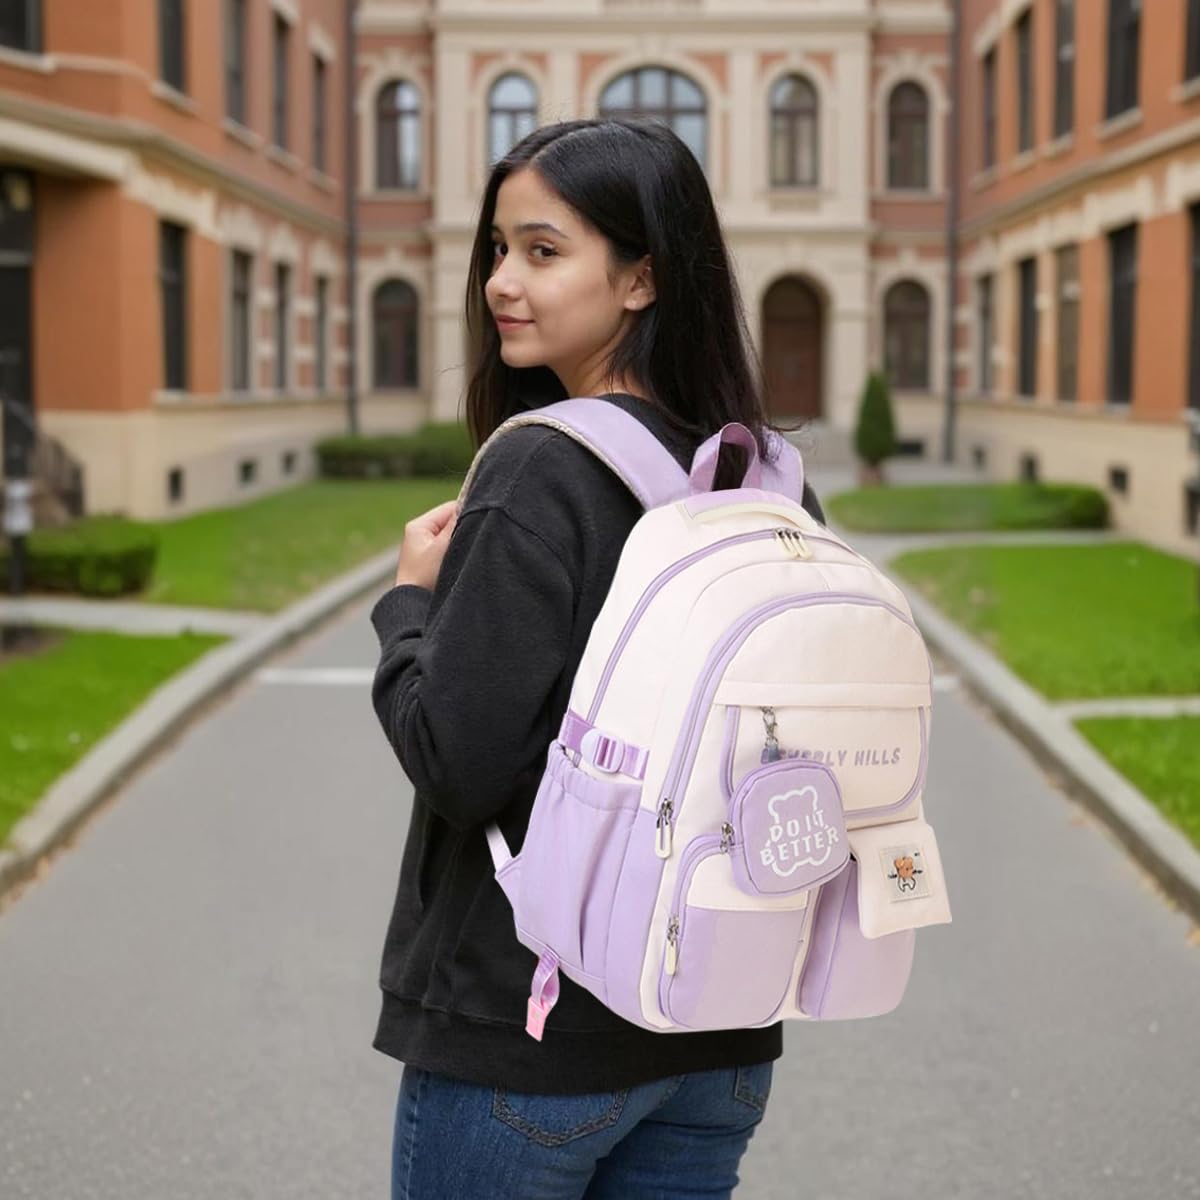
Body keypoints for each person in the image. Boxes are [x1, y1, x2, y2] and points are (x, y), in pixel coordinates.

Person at [370, 117, 826, 1200]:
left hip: (532, 1037)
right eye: (495, 251)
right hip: (715, 1028)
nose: (499, 283)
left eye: (541, 250)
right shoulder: (769, 482)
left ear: (640, 279)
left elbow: (456, 757)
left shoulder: (541, 470)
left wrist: (405, 612)